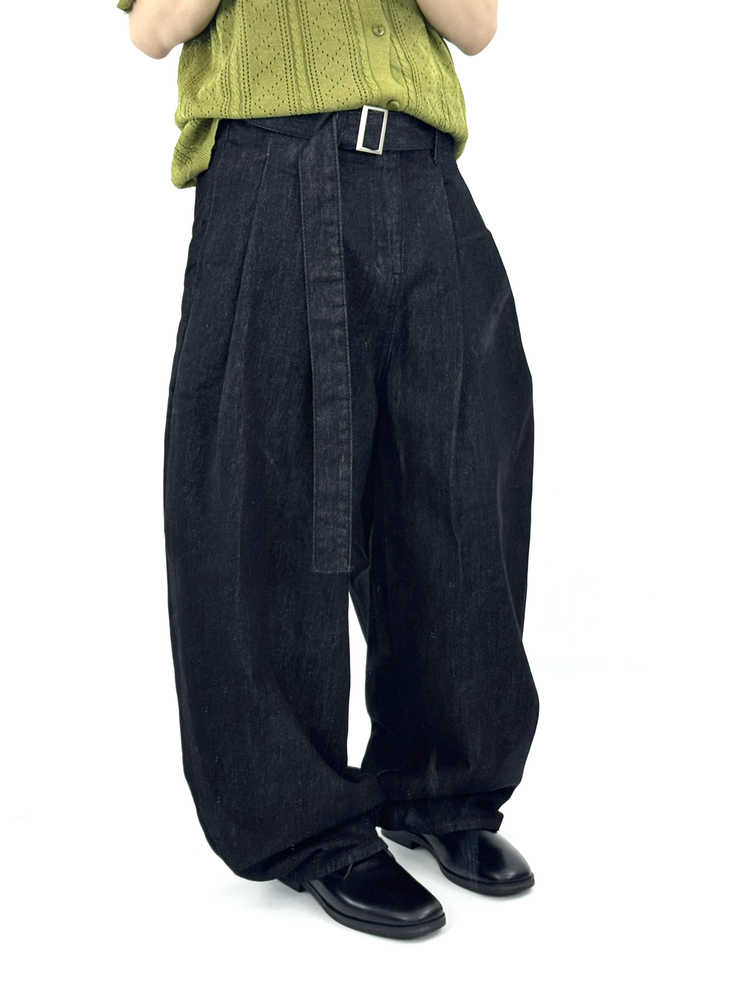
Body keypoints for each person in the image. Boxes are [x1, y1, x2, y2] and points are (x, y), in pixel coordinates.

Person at [117, 0, 539, 940]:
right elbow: (154, 29)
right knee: (264, 497)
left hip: (424, 176)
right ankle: (305, 823)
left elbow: (476, 27)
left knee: (456, 485)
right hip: (273, 173)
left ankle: (445, 787)